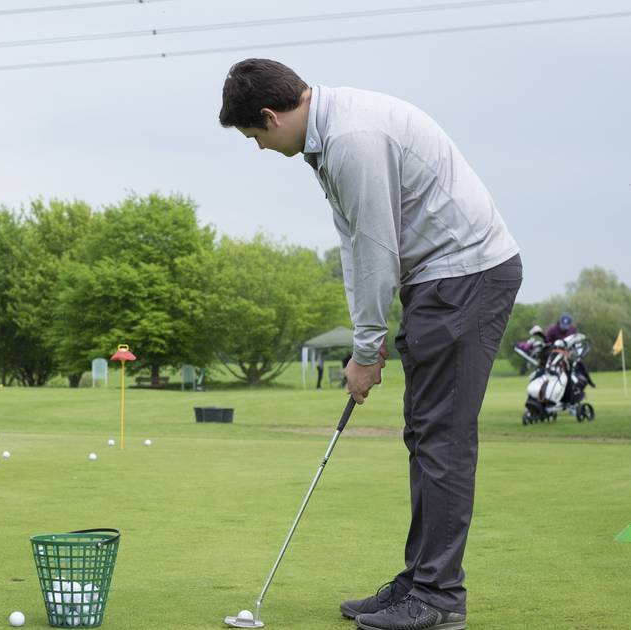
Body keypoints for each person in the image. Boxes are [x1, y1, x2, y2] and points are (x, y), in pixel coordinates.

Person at [219, 59, 522, 630]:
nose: (259, 148)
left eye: (255, 136)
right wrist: (369, 339)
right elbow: (355, 246)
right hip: (439, 279)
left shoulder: (352, 139)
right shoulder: (327, 137)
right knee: (425, 431)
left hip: (465, 275)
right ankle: (420, 580)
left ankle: (438, 597)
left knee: (442, 437)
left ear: (270, 115)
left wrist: (364, 352)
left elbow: (377, 248)